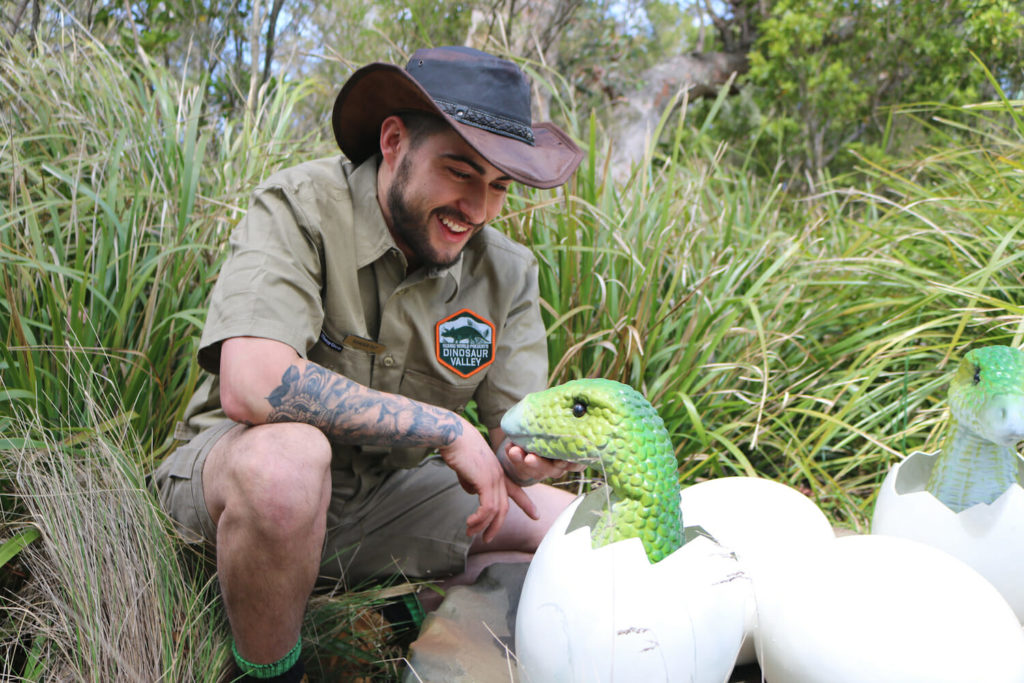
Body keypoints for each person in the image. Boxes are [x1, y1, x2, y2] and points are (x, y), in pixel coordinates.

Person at [152, 46, 584, 682]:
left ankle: (433, 632)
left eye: (499, 188)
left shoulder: (506, 272)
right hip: (237, 493)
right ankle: (269, 671)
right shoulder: (299, 206)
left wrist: (532, 453)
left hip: (382, 502)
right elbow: (251, 382)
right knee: (287, 466)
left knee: (566, 527)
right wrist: (444, 428)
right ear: (393, 141)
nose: (479, 210)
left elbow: (511, 437)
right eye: (460, 172)